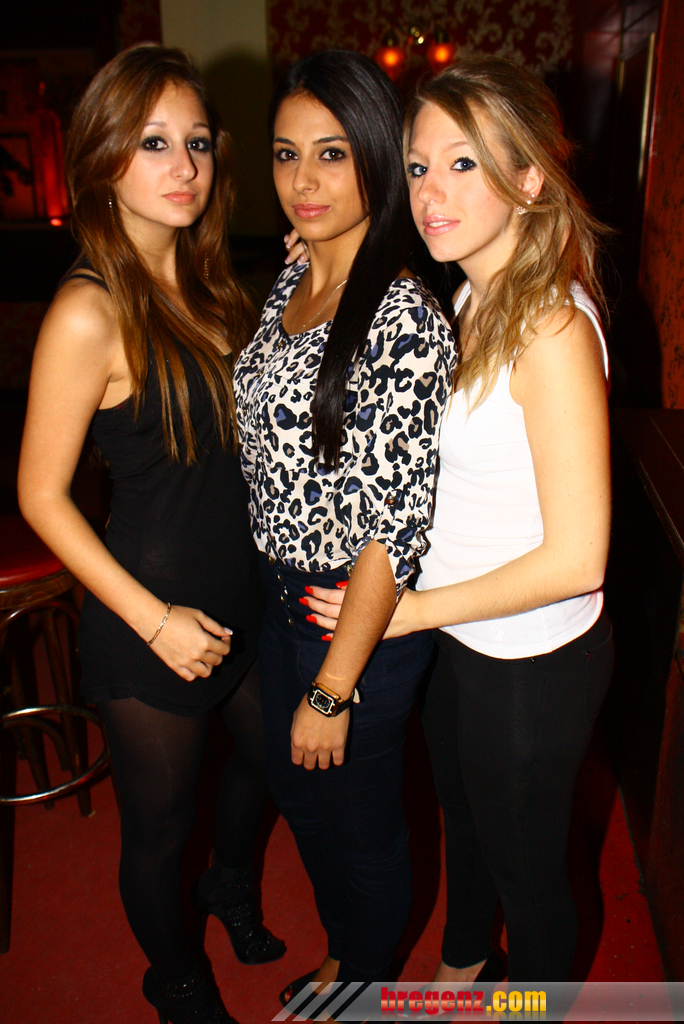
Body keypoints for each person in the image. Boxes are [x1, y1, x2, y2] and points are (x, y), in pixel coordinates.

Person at [305, 56, 614, 984]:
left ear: (529, 177)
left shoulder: (552, 330)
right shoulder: (474, 296)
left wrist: (407, 614)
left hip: (531, 658)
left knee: (531, 878)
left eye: (463, 163)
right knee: (466, 826)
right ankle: (461, 974)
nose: (430, 192)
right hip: (464, 638)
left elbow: (579, 557)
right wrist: (318, 259)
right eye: (417, 166)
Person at [18, 44, 284, 1024]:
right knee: (158, 831)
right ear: (103, 161)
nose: (183, 165)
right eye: (152, 142)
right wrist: (154, 619)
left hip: (243, 597)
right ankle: (173, 977)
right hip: (148, 614)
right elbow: (42, 495)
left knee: (274, 762)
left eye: (197, 143)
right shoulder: (88, 310)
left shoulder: (217, 288)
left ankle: (230, 882)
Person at [233, 50, 454, 1004]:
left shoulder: (403, 317)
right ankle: (346, 954)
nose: (305, 180)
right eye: (287, 154)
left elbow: (392, 532)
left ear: (375, 155)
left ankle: (362, 985)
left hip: (351, 619)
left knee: (359, 827)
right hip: (278, 600)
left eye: (332, 153)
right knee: (300, 800)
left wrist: (332, 690)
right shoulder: (291, 281)